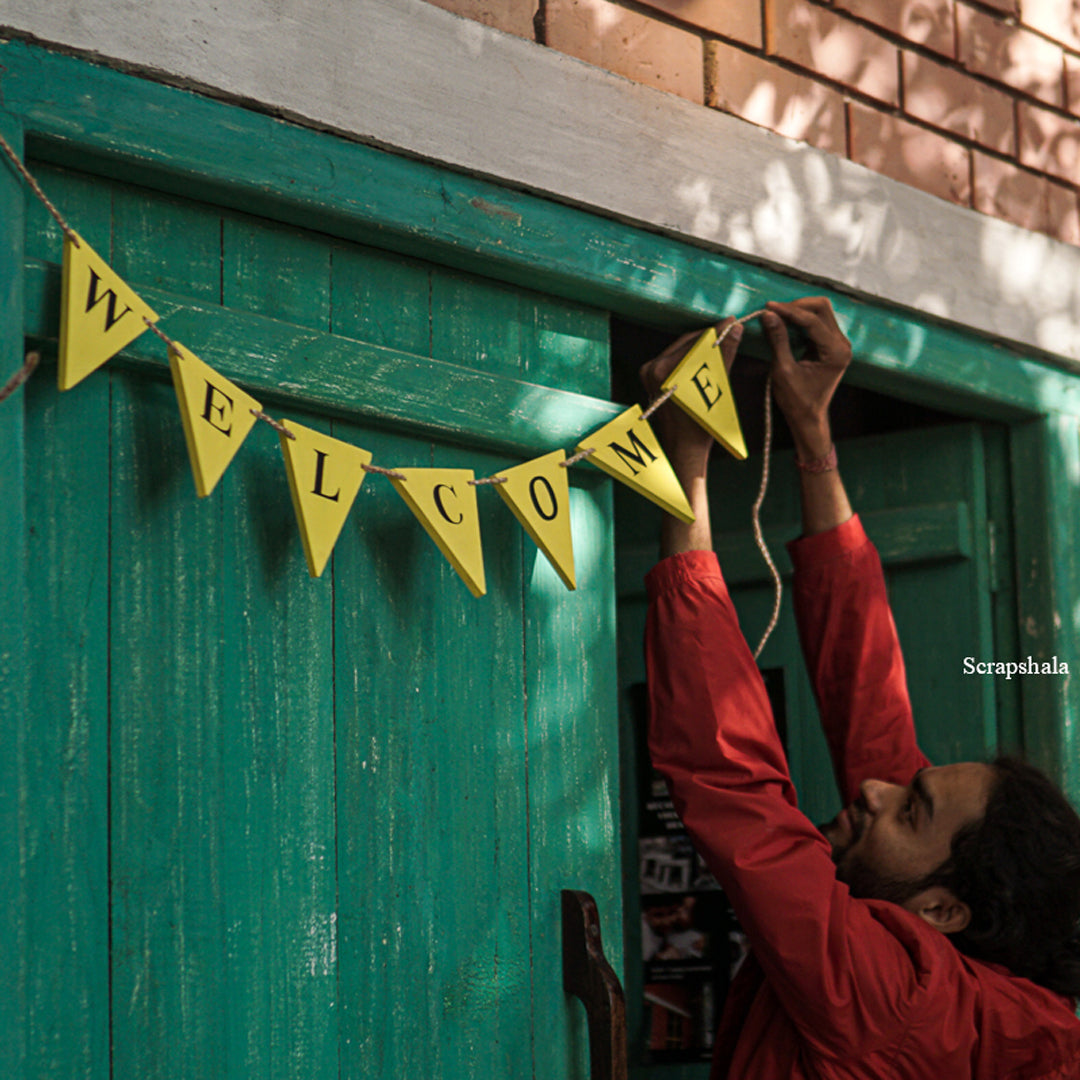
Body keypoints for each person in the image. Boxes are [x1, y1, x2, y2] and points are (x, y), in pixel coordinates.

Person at [640, 298, 1080, 1079]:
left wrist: (685, 476)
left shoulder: (902, 997)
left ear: (943, 912)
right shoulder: (971, 980)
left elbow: (734, 790)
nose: (876, 788)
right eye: (912, 787)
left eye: (911, 810)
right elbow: (868, 696)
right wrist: (813, 439)